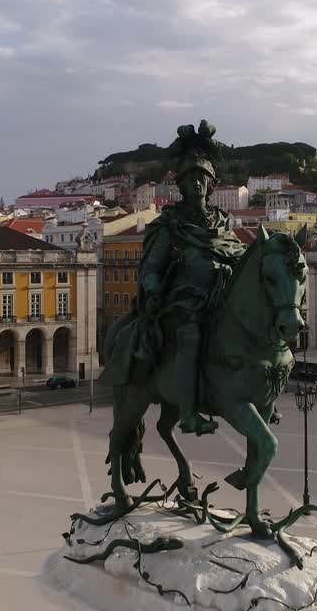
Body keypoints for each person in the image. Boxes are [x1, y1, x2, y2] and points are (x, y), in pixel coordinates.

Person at [132, 121, 245, 435]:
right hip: (184, 300)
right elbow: (151, 269)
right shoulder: (170, 226)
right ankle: (189, 412)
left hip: (222, 295)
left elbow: (239, 255)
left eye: (202, 179)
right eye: (190, 179)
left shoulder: (224, 223)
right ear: (181, 185)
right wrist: (153, 291)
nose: (196, 184)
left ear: (211, 185)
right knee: (191, 335)